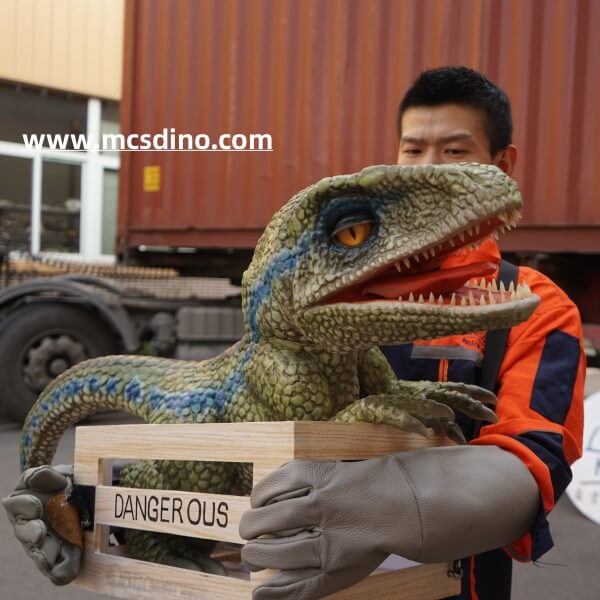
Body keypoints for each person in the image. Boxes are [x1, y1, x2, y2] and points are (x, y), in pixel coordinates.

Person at [238, 67, 585, 599]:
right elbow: (251, 409)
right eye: (413, 150)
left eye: (454, 151)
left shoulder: (535, 305)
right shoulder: (328, 289)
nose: (428, 168)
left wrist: (397, 503)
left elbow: (533, 463)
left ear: (500, 165)